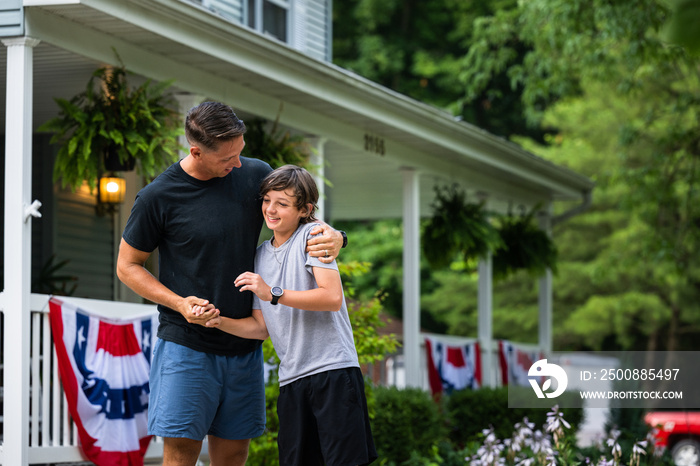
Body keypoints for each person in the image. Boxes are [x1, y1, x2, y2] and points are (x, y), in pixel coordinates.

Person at [116, 101, 344, 466]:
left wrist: (337, 237)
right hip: (186, 345)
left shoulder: (254, 174)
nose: (237, 164)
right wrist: (179, 304)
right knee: (182, 451)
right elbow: (127, 266)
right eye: (227, 158)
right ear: (196, 151)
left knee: (235, 452)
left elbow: (297, 218)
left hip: (243, 345)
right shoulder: (158, 197)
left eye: (240, 152)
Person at [201, 164, 377, 466]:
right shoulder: (259, 255)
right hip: (292, 380)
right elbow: (259, 328)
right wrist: (217, 321)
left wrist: (274, 293)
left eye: (282, 203)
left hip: (332, 371)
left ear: (304, 209)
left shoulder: (314, 235)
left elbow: (332, 297)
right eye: (267, 200)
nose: (270, 209)